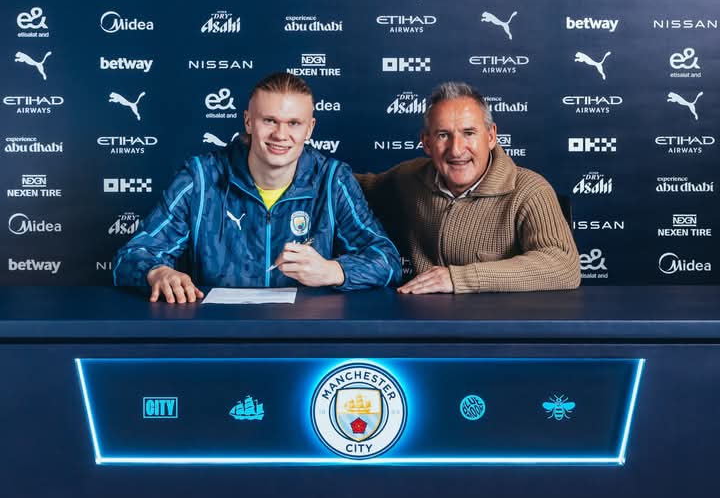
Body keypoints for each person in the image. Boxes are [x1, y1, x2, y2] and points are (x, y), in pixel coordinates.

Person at [113, 72, 401, 302]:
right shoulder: (201, 178)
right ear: (249, 121)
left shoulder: (332, 179)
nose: (281, 135)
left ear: (310, 128)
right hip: (218, 335)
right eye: (269, 121)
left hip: (307, 336)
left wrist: (333, 271)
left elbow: (387, 261)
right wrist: (157, 272)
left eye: (294, 123)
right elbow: (131, 256)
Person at [357, 82, 580, 294]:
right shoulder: (410, 178)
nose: (456, 150)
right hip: (422, 316)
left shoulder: (529, 190)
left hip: (502, 319)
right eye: (443, 135)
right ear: (426, 143)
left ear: (491, 137)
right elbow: (349, 185)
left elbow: (563, 266)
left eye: (469, 133)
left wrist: (458, 278)